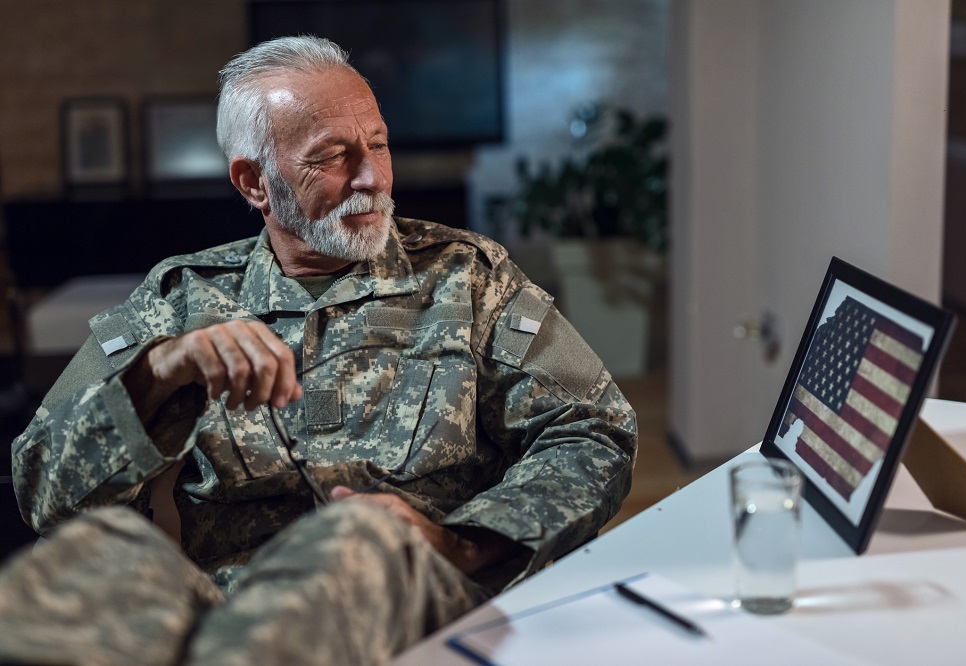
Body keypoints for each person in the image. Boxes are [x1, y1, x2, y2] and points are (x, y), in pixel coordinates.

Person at [1, 35, 637, 665]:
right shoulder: (179, 299)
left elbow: (593, 428)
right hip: (230, 613)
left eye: (379, 145)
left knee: (355, 537)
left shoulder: (466, 277)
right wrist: (158, 375)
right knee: (92, 556)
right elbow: (42, 492)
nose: (372, 178)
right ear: (254, 182)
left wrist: (462, 544)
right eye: (333, 156)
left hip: (420, 600)